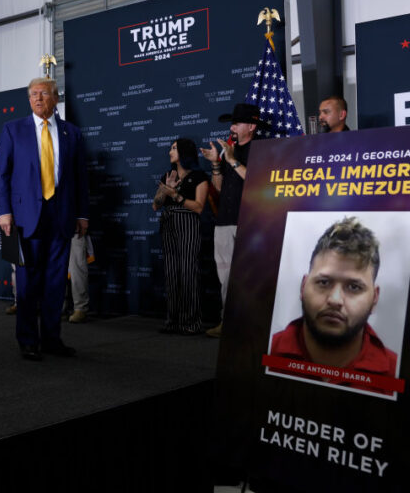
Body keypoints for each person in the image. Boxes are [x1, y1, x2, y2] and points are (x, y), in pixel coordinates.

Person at [0, 77, 89, 360]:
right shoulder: (13, 129)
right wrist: (4, 211)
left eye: (43, 94)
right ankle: (27, 339)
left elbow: (79, 178)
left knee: (56, 282)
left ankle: (51, 339)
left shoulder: (72, 133)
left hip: (61, 216)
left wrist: (82, 214)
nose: (37, 98)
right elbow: (2, 175)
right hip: (25, 218)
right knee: (27, 282)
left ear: (55, 99)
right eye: (33, 94)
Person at [269, 217, 397, 394]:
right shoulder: (266, 351)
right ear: (303, 286)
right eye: (323, 282)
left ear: (374, 298)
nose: (335, 300)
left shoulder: (395, 375)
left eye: (354, 287)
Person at [199, 103, 263, 338]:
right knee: (225, 278)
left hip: (250, 222)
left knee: (250, 278)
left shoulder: (260, 149)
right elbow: (219, 187)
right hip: (224, 222)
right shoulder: (229, 151)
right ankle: (228, 322)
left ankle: (253, 325)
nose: (232, 127)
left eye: (237, 123)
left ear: (252, 126)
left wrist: (233, 160)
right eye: (232, 123)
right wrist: (217, 163)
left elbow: (257, 180)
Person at [153, 138, 208, 334]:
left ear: (184, 151)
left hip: (187, 224)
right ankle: (173, 321)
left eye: (174, 148)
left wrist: (175, 195)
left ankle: (191, 323)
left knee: (187, 272)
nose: (169, 151)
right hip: (168, 224)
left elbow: (199, 207)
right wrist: (164, 191)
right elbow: (156, 205)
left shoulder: (199, 176)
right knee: (171, 273)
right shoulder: (169, 175)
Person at [63, 234, 94, 324]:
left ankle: (80, 309)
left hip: (75, 227)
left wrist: (82, 219)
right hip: (54, 226)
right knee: (56, 269)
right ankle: (59, 308)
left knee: (77, 268)